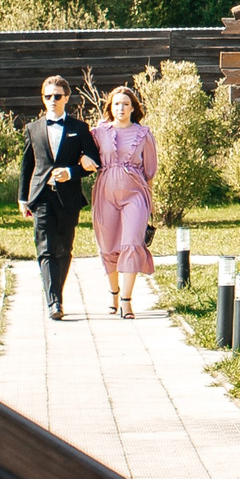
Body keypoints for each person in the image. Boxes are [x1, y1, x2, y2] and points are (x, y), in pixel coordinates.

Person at [19, 75, 97, 320]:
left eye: (57, 96)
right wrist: (23, 198)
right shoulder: (32, 129)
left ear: (66, 98)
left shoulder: (80, 128)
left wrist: (71, 172)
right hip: (41, 196)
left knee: (64, 248)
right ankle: (54, 302)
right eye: (47, 96)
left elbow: (94, 162)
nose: (52, 100)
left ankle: (57, 295)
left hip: (68, 197)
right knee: (45, 249)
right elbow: (27, 165)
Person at [89, 83, 157, 319]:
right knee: (108, 246)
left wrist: (150, 204)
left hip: (135, 194)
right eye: (117, 103)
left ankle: (127, 302)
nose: (121, 108)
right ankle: (113, 294)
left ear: (133, 108)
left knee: (131, 244)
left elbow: (150, 172)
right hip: (105, 193)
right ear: (110, 107)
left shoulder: (143, 134)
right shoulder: (98, 132)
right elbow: (86, 157)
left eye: (126, 104)